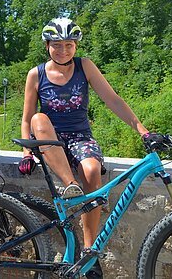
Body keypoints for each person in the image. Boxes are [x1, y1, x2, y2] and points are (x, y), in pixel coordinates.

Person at [19, 17, 150, 278]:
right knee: (38, 119)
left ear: (75, 46)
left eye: (69, 44)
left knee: (91, 171)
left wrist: (142, 129)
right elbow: (26, 119)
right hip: (50, 140)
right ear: (47, 46)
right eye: (57, 45)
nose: (63, 50)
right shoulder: (36, 74)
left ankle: (89, 253)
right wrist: (26, 153)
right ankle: (70, 184)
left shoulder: (85, 67)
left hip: (80, 136)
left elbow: (112, 99)